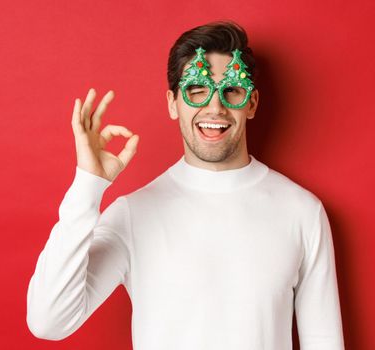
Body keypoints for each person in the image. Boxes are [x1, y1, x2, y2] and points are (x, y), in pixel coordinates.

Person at [26, 21, 345, 350]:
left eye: (232, 90)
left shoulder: (301, 212)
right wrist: (87, 186)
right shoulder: (133, 214)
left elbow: (324, 341)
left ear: (251, 103)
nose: (215, 107)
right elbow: (49, 320)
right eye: (197, 90)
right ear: (172, 102)